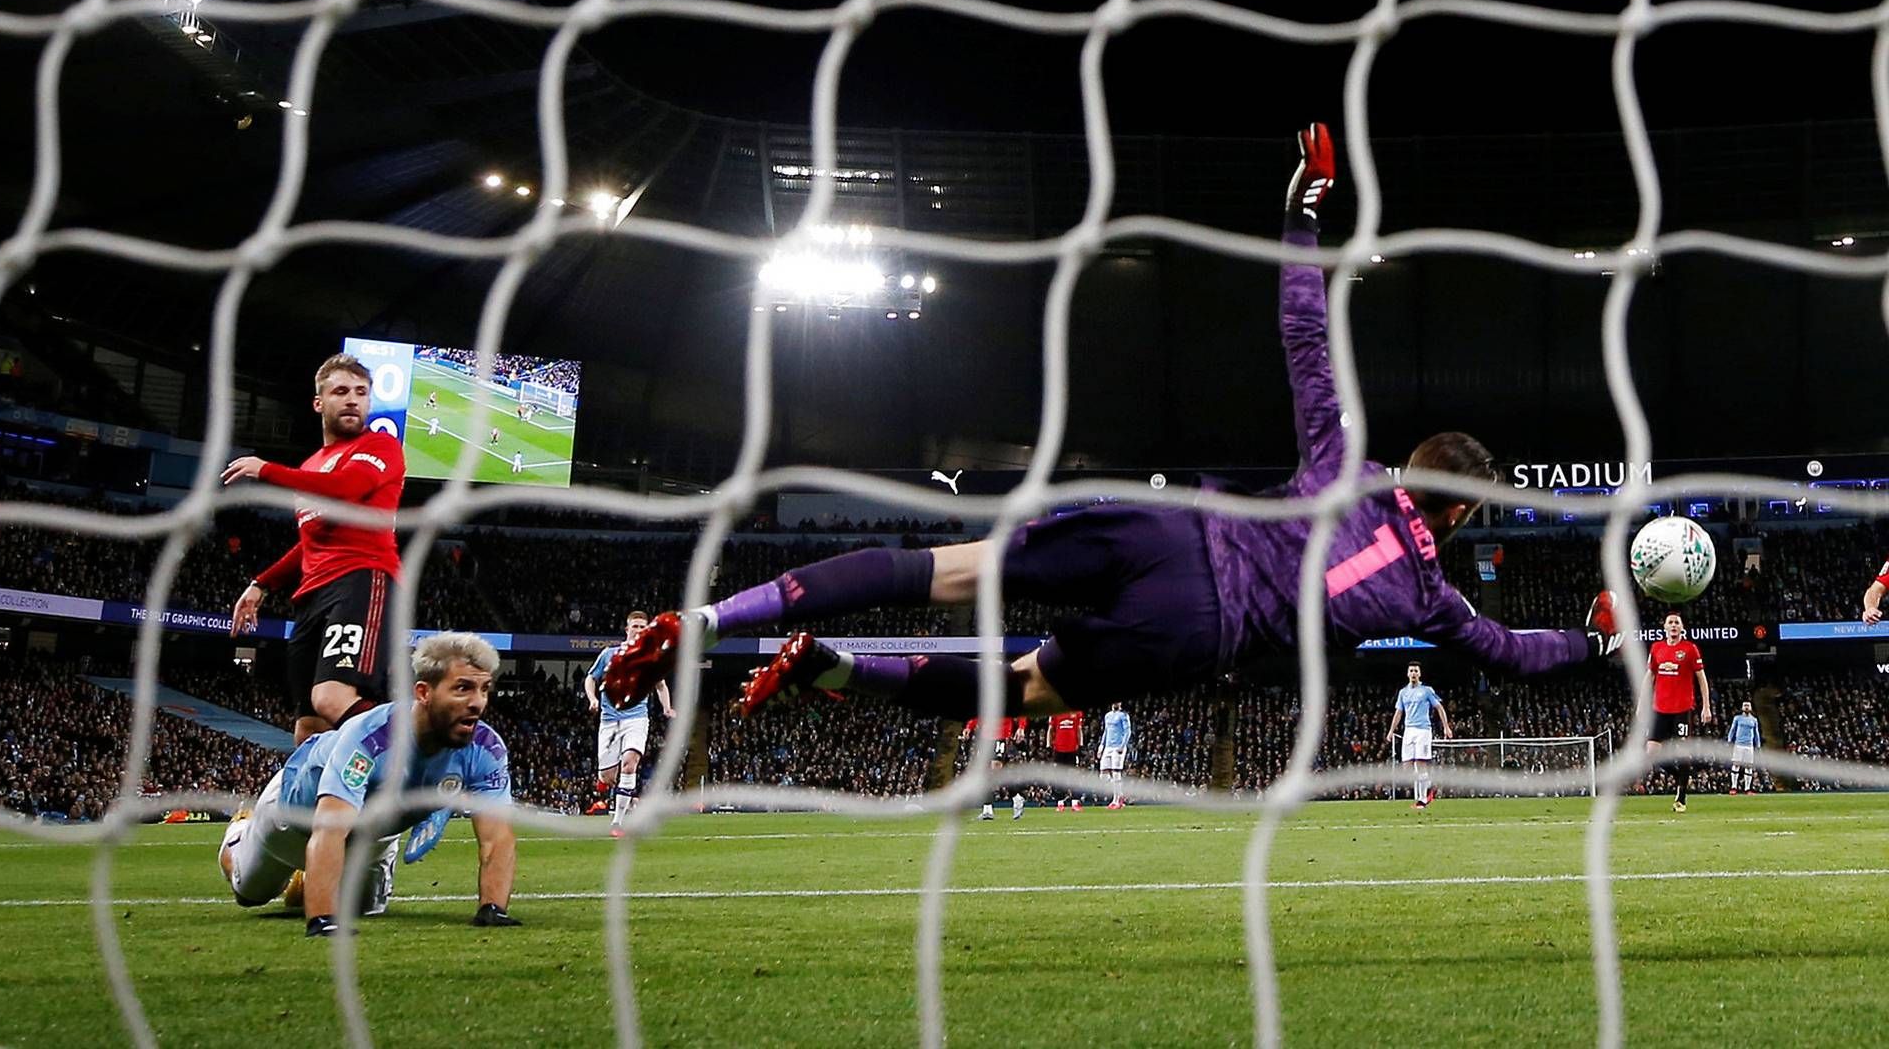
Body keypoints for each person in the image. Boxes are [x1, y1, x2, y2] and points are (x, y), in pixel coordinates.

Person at [596, 122, 1621, 724]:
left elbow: (1303, 331)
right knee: (1023, 688)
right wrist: (1596, 648)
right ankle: (833, 669)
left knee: (951, 566)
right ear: (1459, 519)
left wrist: (1303, 212)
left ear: (1410, 469)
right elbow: (1508, 651)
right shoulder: (1435, 596)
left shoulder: (1347, 464)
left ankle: (717, 619)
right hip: (1196, 626)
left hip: (1169, 529)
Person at [216, 633, 519, 935]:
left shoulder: (486, 748)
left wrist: (492, 908)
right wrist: (323, 919)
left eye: (484, 689)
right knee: (249, 893)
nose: (477, 703)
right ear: (424, 692)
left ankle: (311, 879)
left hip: (371, 830)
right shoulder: (369, 739)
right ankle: (240, 832)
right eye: (463, 688)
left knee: (365, 909)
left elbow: (497, 837)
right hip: (297, 816)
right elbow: (330, 827)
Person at [224, 353, 404, 748]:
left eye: (361, 392)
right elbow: (309, 541)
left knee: (332, 698)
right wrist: (260, 584)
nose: (353, 400)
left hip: (360, 579)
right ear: (319, 403)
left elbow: (348, 489)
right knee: (308, 728)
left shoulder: (381, 446)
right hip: (310, 598)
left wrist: (266, 469)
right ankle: (305, 812)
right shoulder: (312, 465)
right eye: (341, 391)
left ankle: (413, 752)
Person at [581, 612, 675, 831]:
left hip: (637, 719)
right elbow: (590, 678)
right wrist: (593, 699)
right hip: (609, 721)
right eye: (635, 626)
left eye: (643, 627)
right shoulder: (609, 654)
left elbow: (661, 686)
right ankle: (628, 797)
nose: (639, 630)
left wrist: (667, 707)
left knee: (630, 763)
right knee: (608, 776)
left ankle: (617, 822)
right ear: (627, 629)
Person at [1645, 612, 1712, 813]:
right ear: (1664, 627)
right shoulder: (1657, 648)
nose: (1673, 625)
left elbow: (1701, 678)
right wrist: (1642, 703)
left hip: (1682, 709)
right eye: (1670, 622)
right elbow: (1649, 676)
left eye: (1677, 623)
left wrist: (1706, 706)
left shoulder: (1690, 649)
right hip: (1660, 709)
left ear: (1682, 628)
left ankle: (1681, 797)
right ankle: (1679, 777)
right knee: (1651, 754)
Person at [1386, 662, 1452, 809]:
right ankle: (1428, 786)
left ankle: (1423, 799)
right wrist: (1391, 730)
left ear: (1419, 674)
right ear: (1407, 674)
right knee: (1407, 766)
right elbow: (1398, 712)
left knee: (1421, 764)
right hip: (1408, 730)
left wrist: (1446, 727)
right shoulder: (1403, 692)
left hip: (1423, 730)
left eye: (1416, 670)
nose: (1414, 673)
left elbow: (1439, 707)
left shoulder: (1427, 690)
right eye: (1411, 670)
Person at [1099, 702, 1131, 808]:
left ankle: (1116, 800)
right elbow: (1106, 731)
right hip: (1108, 747)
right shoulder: (1107, 715)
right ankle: (1120, 794)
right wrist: (1101, 745)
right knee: (1103, 774)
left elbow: (1127, 731)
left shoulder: (1123, 715)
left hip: (1118, 747)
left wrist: (1122, 745)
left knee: (1116, 772)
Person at [1726, 700, 1761, 795]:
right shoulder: (1737, 718)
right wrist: (1729, 740)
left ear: (1750, 708)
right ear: (1742, 707)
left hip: (1749, 745)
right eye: (1745, 705)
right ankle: (1733, 787)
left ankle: (1747, 789)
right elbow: (1732, 729)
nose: (1746, 707)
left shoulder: (1754, 720)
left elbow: (1756, 733)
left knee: (1749, 767)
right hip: (1739, 744)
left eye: (1748, 706)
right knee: (1736, 765)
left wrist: (1758, 745)